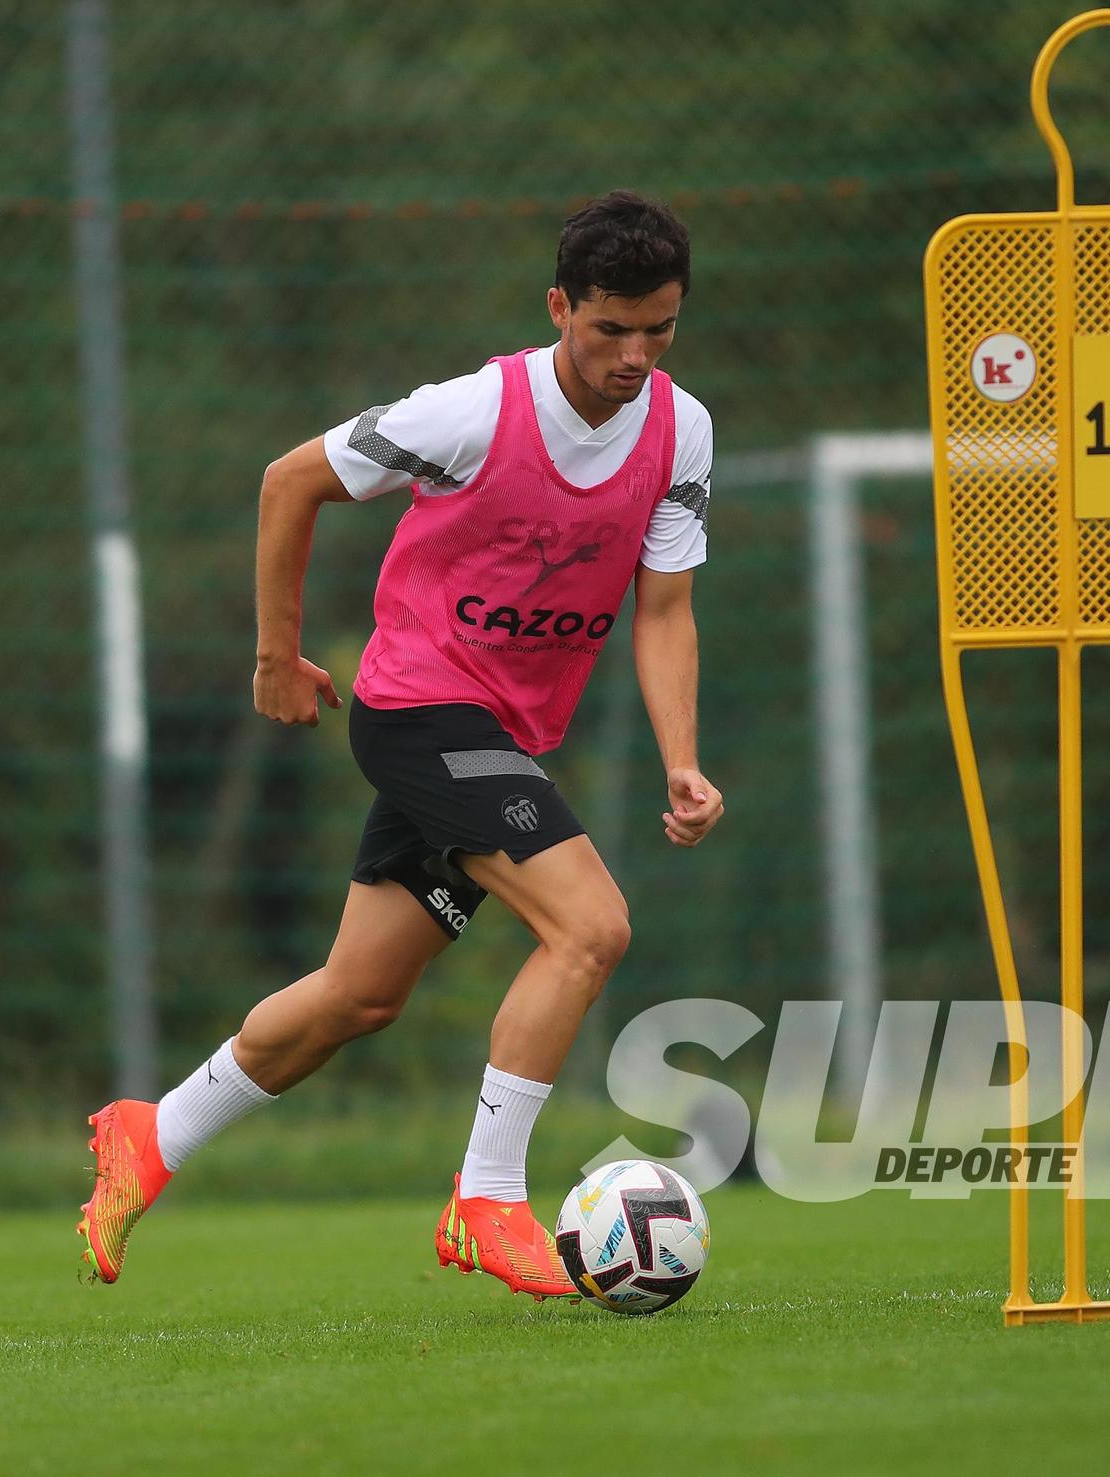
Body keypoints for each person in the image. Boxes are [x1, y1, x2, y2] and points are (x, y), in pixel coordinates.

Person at [77, 192, 723, 1300]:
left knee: (356, 996)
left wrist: (681, 755)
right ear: (559, 306)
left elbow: (662, 609)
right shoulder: (472, 412)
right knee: (590, 927)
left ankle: (153, 1131)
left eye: (657, 328)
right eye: (609, 327)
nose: (633, 353)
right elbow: (292, 480)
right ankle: (487, 1195)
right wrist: (277, 658)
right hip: (421, 710)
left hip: (502, 736)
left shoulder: (680, 429)